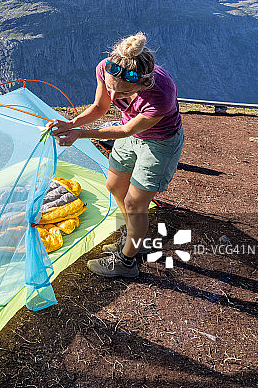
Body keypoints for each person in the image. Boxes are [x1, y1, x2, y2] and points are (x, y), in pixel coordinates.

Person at [47, 32, 184, 278]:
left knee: (134, 203)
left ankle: (126, 262)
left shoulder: (160, 93)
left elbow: (126, 130)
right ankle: (134, 237)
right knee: (113, 185)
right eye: (111, 88)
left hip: (159, 143)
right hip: (129, 136)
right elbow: (100, 106)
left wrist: (80, 134)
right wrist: (72, 123)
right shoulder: (105, 68)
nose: (113, 97)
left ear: (143, 84)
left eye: (122, 93)